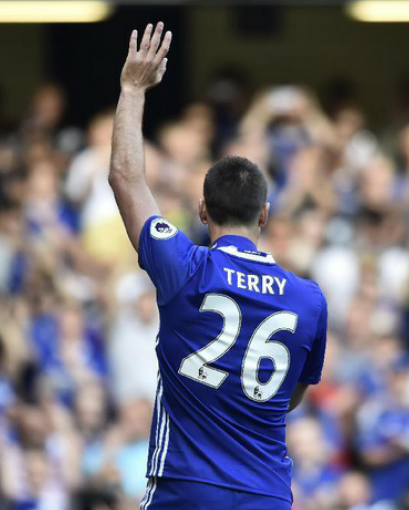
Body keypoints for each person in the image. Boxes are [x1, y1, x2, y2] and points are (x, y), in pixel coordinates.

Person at [108, 22, 328, 510]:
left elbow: (125, 178)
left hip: (185, 487)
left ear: (203, 211)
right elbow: (290, 395)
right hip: (266, 493)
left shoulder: (184, 268)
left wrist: (133, 90)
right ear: (264, 214)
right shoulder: (309, 299)